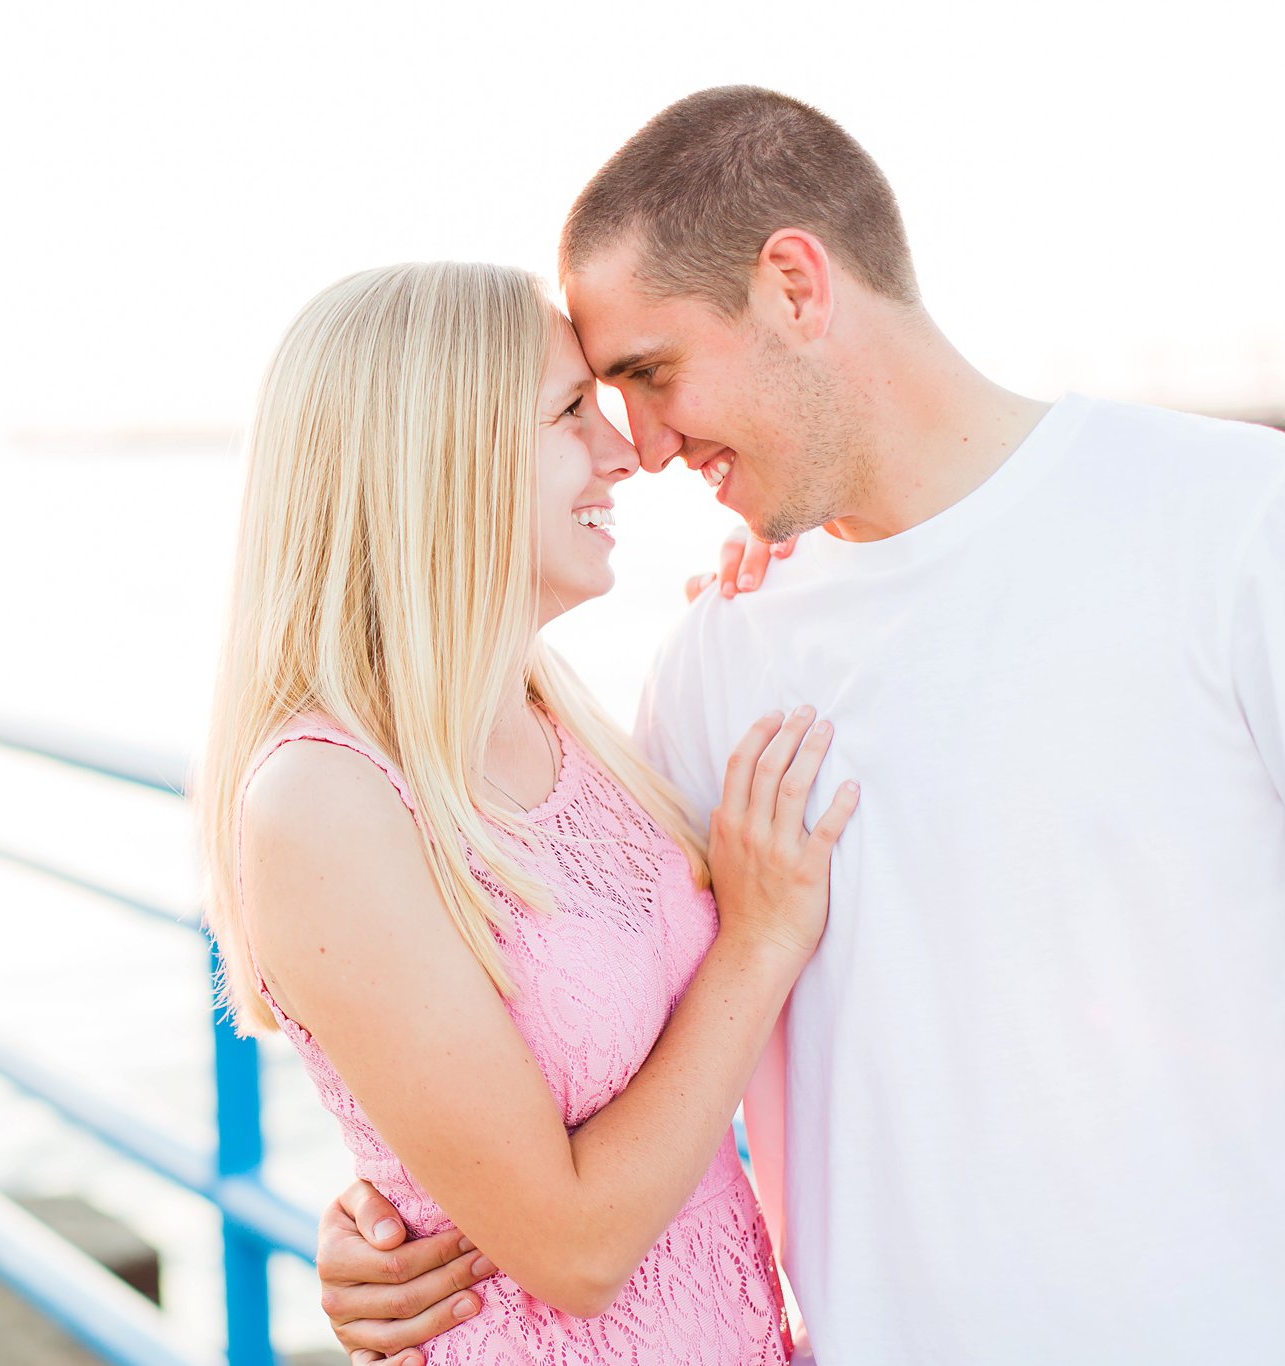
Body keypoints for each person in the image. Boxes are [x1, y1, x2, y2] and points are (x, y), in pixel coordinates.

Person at [314, 87, 1285, 1366]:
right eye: (598, 405)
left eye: (648, 376)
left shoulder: (1227, 528)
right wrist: (396, 1222)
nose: (643, 449)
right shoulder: (719, 653)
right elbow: (599, 1044)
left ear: (792, 284)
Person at [196, 259, 863, 1363]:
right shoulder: (323, 798)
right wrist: (758, 938)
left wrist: (795, 582)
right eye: (568, 411)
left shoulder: (560, 712)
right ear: (433, 459)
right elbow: (573, 1250)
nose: (625, 451)